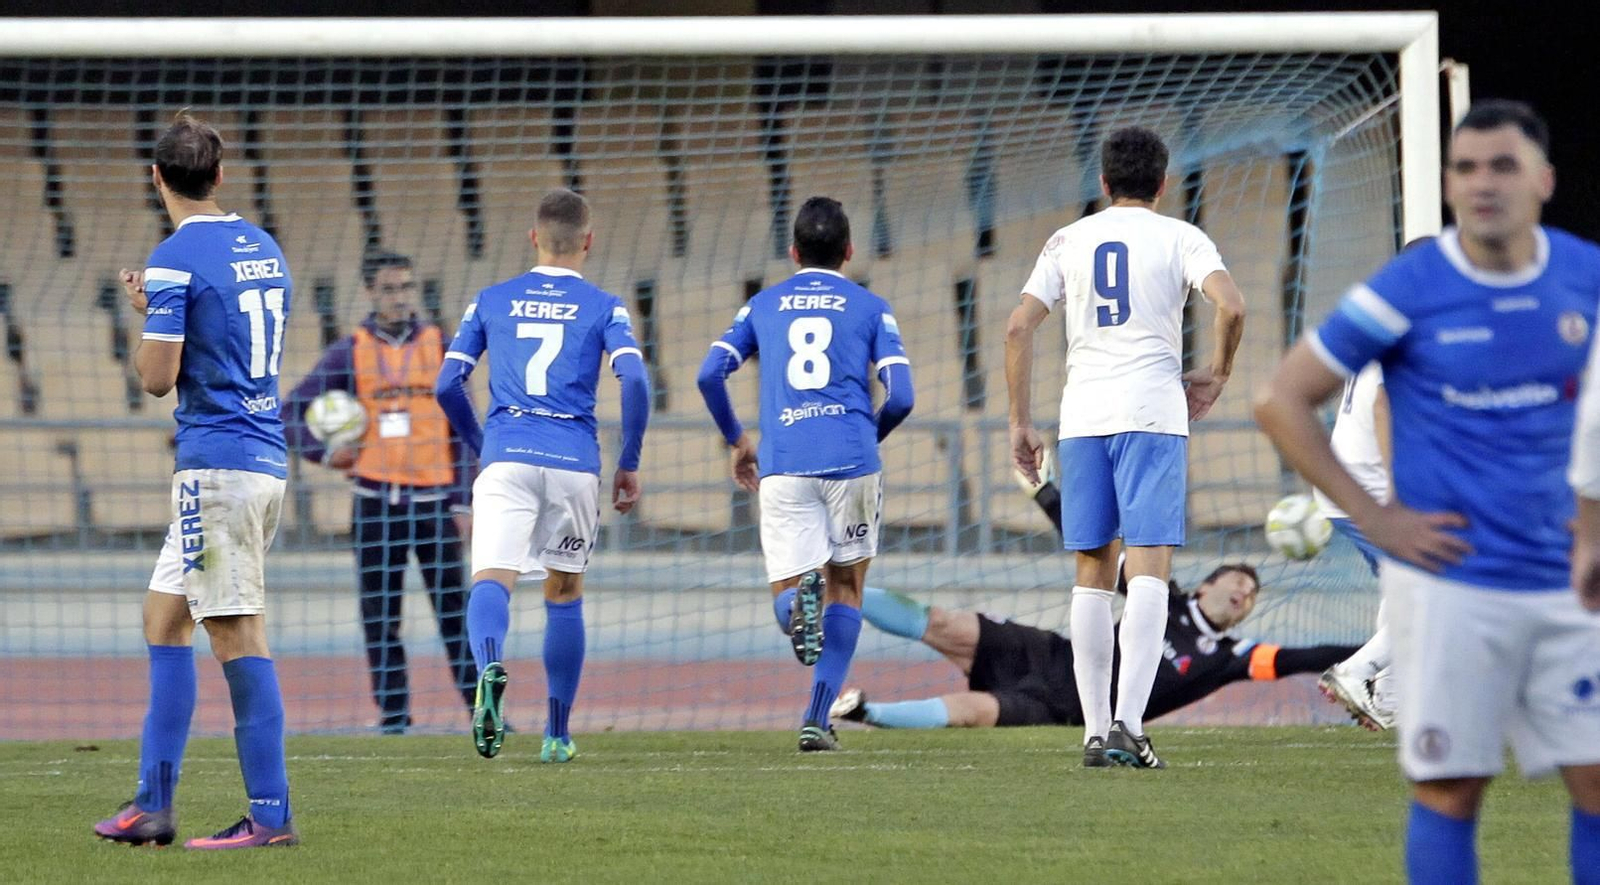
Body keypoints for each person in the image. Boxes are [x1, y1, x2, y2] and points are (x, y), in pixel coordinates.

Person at [1255, 100, 1600, 885]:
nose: (1482, 183)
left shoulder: (1585, 276)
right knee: (1450, 787)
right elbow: (1280, 397)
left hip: (1561, 576)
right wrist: (1379, 515)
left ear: (1544, 179)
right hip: (1453, 584)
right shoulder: (1409, 286)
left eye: (1502, 165)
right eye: (1465, 168)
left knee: (1594, 780)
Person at [1005, 126, 1246, 768]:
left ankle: (1091, 731)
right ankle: (1129, 726)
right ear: (1163, 184)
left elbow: (1016, 326)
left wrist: (1018, 422)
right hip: (1151, 412)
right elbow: (1233, 306)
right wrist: (1218, 374)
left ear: (1104, 183)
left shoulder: (1068, 240)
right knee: (1148, 569)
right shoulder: (1181, 237)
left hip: (1082, 415)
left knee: (1092, 570)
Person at [93, 114, 298, 849]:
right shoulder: (264, 247)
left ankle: (270, 816)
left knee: (236, 630)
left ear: (157, 179)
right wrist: (169, 312)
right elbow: (233, 338)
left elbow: (157, 378)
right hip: (260, 457)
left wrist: (149, 323)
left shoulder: (174, 258)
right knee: (164, 618)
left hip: (218, 467)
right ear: (220, 174)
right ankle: (153, 804)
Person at [832, 477, 1359, 730]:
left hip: (1064, 708)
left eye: (1249, 597)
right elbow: (1097, 549)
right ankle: (837, 594)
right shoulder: (1164, 598)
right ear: (1204, 586)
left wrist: (1375, 650)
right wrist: (1044, 492)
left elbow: (1304, 657)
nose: (1243, 595)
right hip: (1052, 656)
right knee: (944, 622)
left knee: (973, 713)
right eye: (1236, 583)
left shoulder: (1232, 657)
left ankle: (865, 711)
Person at [435, 188, 651, 763]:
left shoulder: (491, 299)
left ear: (533, 238)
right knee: (564, 591)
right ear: (589, 240)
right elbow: (637, 381)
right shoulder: (605, 306)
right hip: (573, 462)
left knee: (490, 579)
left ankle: (489, 669)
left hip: (507, 456)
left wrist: (485, 445)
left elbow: (445, 385)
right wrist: (628, 461)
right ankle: (556, 734)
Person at [697, 196, 915, 752]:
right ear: (849, 252)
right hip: (852, 463)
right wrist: (868, 434)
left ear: (793, 252)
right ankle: (816, 721)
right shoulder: (871, 307)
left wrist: (737, 440)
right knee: (848, 589)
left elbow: (708, 374)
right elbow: (903, 396)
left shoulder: (763, 305)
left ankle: (796, 608)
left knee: (790, 596)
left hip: (785, 462)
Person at [282, 250, 476, 734]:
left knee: (458, 617)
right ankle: (394, 717)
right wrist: (324, 453)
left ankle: (483, 711)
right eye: (389, 289)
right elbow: (288, 414)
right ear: (371, 292)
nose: (400, 298)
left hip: (436, 506)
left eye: (407, 288)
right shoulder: (348, 352)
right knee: (380, 618)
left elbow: (466, 430)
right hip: (375, 505)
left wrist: (465, 500)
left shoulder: (442, 347)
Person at [1313, 361, 1396, 731]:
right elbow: (1384, 401)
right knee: (1446, 594)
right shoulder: (1406, 339)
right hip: (1370, 494)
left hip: (1349, 490)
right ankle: (1356, 672)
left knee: (1407, 589)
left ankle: (1387, 698)